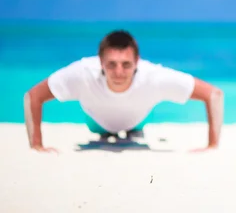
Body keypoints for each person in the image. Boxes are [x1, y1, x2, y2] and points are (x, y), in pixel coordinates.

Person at [24, 29, 224, 152]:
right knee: (100, 128)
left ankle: (133, 131)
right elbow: (33, 96)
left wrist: (212, 145)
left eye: (126, 64)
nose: (119, 72)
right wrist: (37, 145)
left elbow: (214, 94)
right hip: (96, 123)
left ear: (137, 62)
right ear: (100, 62)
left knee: (136, 125)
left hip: (138, 120)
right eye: (111, 64)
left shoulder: (153, 76)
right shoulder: (82, 72)